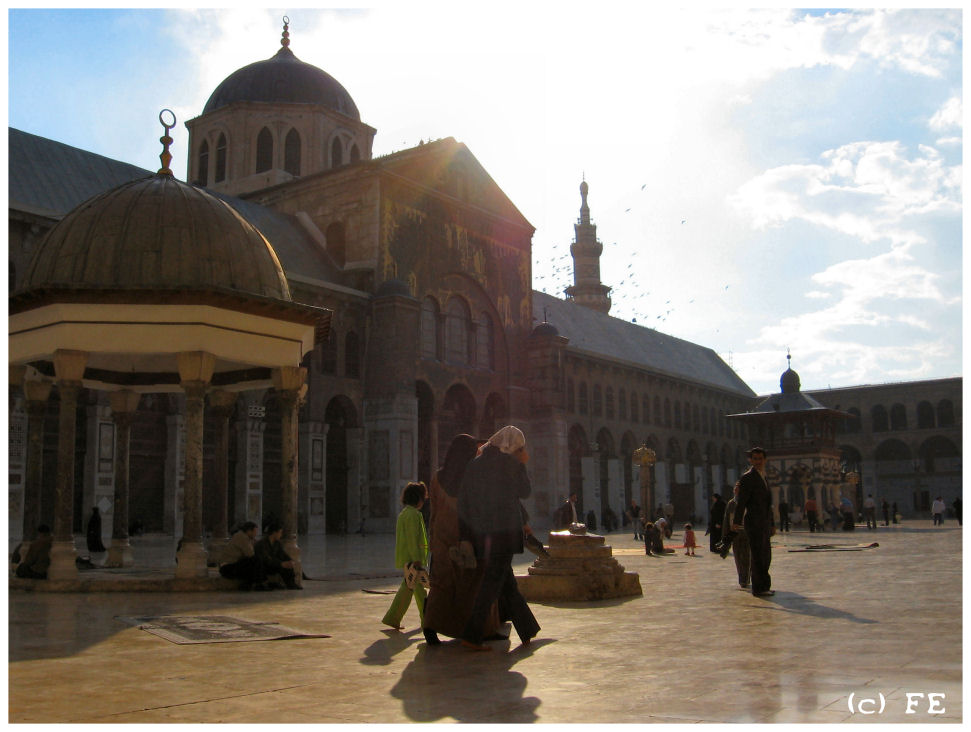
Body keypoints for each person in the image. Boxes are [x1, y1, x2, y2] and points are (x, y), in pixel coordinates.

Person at [458, 425, 539, 651]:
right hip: (504, 534)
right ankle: (472, 635)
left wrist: (467, 534)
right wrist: (522, 464)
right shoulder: (511, 464)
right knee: (492, 583)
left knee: (506, 582)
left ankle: (528, 629)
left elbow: (464, 501)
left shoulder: (475, 464)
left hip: (482, 533)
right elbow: (525, 492)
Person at [422, 434, 503, 646]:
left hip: (442, 538)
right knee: (476, 585)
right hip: (468, 538)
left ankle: (430, 627)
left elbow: (434, 511)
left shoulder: (438, 477)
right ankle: (483, 629)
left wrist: (431, 537)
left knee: (442, 586)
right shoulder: (475, 477)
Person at [382, 482, 429, 630]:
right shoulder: (413, 515)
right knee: (420, 591)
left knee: (407, 589)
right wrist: (417, 558)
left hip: (408, 558)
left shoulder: (404, 513)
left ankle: (393, 617)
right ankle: (427, 620)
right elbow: (412, 538)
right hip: (413, 559)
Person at [734, 447, 775, 597]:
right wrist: (736, 522)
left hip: (764, 522)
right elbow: (742, 502)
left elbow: (767, 503)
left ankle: (765, 585)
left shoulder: (763, 477)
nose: (758, 461)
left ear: (765, 460)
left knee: (765, 555)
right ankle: (759, 588)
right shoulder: (747, 477)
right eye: (755, 459)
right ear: (750, 460)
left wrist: (772, 524)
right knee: (758, 555)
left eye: (760, 459)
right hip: (754, 522)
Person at [219, 521, 267, 590]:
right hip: (227, 568)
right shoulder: (242, 537)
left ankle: (249, 584)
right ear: (249, 531)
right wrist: (254, 543)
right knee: (255, 560)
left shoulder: (242, 536)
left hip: (231, 566)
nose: (255, 534)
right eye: (255, 532)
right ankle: (259, 584)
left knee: (254, 562)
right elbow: (250, 554)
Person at [255, 521, 299, 590]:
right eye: (280, 532)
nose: (281, 535)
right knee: (281, 565)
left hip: (274, 564)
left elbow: (283, 554)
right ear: (274, 533)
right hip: (264, 566)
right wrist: (281, 564)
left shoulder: (277, 543)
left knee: (287, 563)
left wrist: (290, 561)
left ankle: (291, 584)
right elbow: (266, 559)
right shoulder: (262, 543)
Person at [722, 484, 750, 589]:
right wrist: (726, 535)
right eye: (735, 489)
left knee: (746, 555)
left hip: (746, 532)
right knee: (738, 556)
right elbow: (726, 520)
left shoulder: (748, 502)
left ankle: (746, 577)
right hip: (735, 532)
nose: (736, 491)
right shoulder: (731, 503)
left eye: (738, 489)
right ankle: (742, 578)